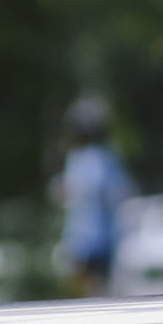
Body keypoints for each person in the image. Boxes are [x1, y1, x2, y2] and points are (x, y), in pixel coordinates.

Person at [55, 96, 132, 295]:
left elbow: (106, 190)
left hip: (100, 236)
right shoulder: (79, 157)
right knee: (79, 284)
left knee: (97, 288)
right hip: (81, 236)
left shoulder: (102, 158)